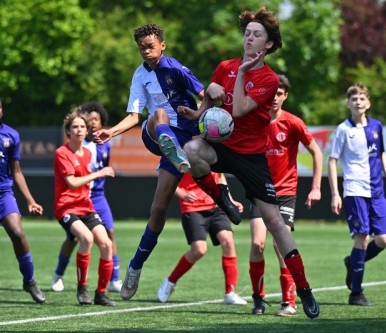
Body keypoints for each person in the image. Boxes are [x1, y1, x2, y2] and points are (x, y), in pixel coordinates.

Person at [178, 7, 320, 320]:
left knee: (276, 226)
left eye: (256, 34)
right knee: (190, 150)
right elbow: (208, 108)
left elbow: (239, 110)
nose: (249, 38)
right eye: (247, 33)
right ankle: (222, 198)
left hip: (253, 157)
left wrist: (242, 72)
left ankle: (304, 288)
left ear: (268, 45)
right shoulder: (224, 66)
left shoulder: (268, 79)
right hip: (222, 147)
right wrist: (199, 110)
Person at [92, 23, 205, 300]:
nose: (146, 51)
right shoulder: (139, 75)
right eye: (142, 47)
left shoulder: (177, 69)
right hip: (161, 137)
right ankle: (135, 267)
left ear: (162, 45)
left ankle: (135, 266)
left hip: (188, 138)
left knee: (163, 206)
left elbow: (205, 98)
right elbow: (134, 116)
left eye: (150, 46)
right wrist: (111, 132)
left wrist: (202, 116)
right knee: (157, 115)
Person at [248, 74, 323, 316]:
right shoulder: (254, 120)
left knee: (281, 245)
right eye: (272, 92)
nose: (275, 97)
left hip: (286, 192)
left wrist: (316, 187)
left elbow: (316, 152)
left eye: (279, 93)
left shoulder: (293, 123)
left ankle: (289, 302)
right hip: (260, 191)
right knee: (257, 244)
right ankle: (258, 298)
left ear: (285, 96)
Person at [328, 83, 386, 307]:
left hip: (377, 190)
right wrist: (335, 194)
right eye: (354, 99)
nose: (358, 102)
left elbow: (382, 154)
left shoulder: (377, 126)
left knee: (384, 239)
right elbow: (332, 160)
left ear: (368, 103)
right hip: (355, 190)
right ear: (348, 103)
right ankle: (356, 293)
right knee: (362, 237)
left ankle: (353, 262)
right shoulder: (343, 129)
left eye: (362, 99)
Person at [0, 91, 46, 304]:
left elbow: (16, 172)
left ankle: (30, 281)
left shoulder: (11, 135)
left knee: (17, 233)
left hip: (1, 192)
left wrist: (30, 200)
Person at [51, 102, 122, 293]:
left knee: (108, 237)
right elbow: (73, 181)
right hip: (72, 201)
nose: (91, 124)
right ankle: (60, 276)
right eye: (83, 123)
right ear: (69, 130)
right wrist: (98, 175)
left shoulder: (102, 147)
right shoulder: (71, 150)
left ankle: (113, 280)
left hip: (94, 198)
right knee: (77, 239)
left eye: (94, 120)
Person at [157, 172, 246, 305]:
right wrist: (183, 194)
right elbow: (165, 176)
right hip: (193, 207)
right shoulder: (181, 152)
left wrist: (230, 201)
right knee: (199, 250)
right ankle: (170, 281)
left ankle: (230, 292)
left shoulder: (217, 151)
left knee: (228, 241)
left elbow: (220, 176)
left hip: (217, 203)